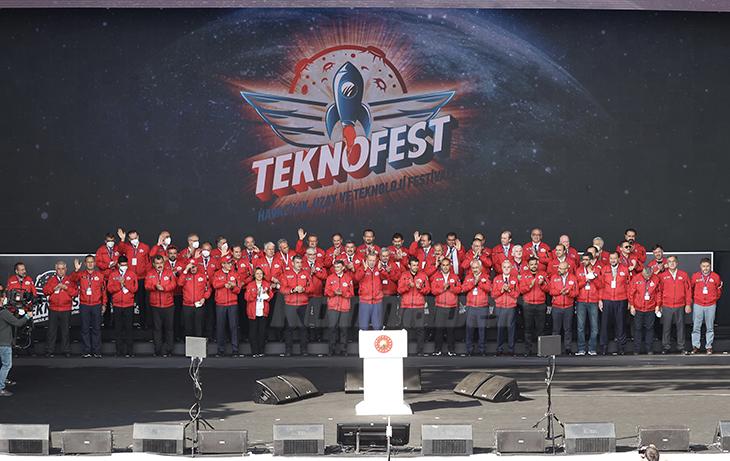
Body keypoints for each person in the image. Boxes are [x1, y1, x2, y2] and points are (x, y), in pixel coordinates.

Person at [71, 255, 107, 358]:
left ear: (94, 263)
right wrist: (76, 270)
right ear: (85, 263)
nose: (90, 264)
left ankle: (97, 351)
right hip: (84, 305)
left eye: (92, 262)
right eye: (88, 262)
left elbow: (104, 291)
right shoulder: (81, 274)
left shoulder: (100, 276)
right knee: (85, 329)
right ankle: (86, 351)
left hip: (96, 305)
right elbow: (72, 280)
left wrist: (104, 304)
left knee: (97, 329)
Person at [117, 228, 151, 329]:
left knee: (142, 302)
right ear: (129, 239)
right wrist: (122, 240)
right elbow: (120, 250)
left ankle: (143, 323)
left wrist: (147, 276)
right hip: (129, 278)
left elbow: (148, 263)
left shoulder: (145, 247)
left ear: (138, 237)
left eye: (135, 238)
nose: (134, 240)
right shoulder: (126, 247)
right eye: (132, 239)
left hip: (141, 278)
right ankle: (128, 324)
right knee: (129, 302)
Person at [0, 289, 32, 397]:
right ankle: (0, 387)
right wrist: (27, 316)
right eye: (4, 297)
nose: (6, 299)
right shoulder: (3, 312)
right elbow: (17, 323)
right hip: (4, 343)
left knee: (2, 364)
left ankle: (3, 380)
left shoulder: (4, 312)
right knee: (6, 365)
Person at [42, 261, 78, 358]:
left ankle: (66, 350)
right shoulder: (51, 280)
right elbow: (45, 291)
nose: (61, 271)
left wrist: (66, 287)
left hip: (66, 309)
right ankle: (50, 350)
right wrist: (54, 288)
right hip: (53, 309)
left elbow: (75, 293)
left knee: (65, 331)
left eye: (63, 269)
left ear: (66, 269)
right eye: (59, 269)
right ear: (56, 269)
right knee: (51, 331)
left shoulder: (70, 280)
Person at [657, 255, 692, 354]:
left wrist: (688, 304)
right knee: (666, 327)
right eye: (669, 261)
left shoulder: (683, 275)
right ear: (667, 264)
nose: (672, 263)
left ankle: (681, 347)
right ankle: (666, 347)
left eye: (673, 261)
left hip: (680, 305)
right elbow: (659, 291)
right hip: (666, 305)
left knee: (681, 327)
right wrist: (659, 305)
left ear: (677, 263)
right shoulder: (662, 276)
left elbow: (688, 290)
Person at [145, 255, 177, 357]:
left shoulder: (169, 273)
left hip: (168, 305)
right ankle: (158, 350)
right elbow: (146, 285)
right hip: (155, 305)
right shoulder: (150, 273)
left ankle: (169, 350)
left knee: (169, 328)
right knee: (157, 329)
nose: (159, 265)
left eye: (161, 263)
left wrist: (164, 288)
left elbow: (174, 285)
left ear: (164, 263)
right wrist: (155, 286)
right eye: (157, 263)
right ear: (154, 264)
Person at [280, 255, 312, 356]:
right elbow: (282, 289)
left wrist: (304, 289)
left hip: (303, 304)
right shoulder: (286, 274)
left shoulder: (306, 274)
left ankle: (304, 350)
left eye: (301, 262)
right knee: (289, 328)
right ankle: (288, 350)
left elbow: (312, 288)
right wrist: (293, 290)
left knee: (303, 328)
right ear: (292, 263)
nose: (299, 264)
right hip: (290, 304)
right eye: (297, 262)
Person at [397, 257, 430, 356]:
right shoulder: (404, 275)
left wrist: (420, 288)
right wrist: (408, 286)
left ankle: (420, 351)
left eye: (417, 265)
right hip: (406, 306)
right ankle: (403, 351)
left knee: (420, 329)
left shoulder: (423, 275)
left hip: (418, 306)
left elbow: (428, 290)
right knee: (405, 329)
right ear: (409, 266)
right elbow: (399, 290)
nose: (415, 267)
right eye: (413, 265)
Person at [599, 252, 630, 355]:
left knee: (620, 324)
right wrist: (600, 300)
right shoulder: (604, 269)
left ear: (619, 259)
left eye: (615, 258)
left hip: (621, 300)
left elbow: (628, 286)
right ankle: (604, 347)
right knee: (605, 325)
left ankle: (621, 347)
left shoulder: (624, 269)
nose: (612, 260)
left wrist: (629, 301)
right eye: (611, 258)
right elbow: (601, 286)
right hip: (607, 300)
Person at [106, 256, 138, 357]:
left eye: (126, 265)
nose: (124, 267)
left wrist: (126, 284)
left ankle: (130, 351)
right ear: (118, 265)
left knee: (129, 329)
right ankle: (118, 351)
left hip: (128, 304)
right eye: (122, 265)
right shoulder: (113, 275)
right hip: (117, 305)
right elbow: (109, 289)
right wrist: (119, 285)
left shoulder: (132, 274)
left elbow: (135, 289)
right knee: (118, 329)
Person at [690, 258, 723, 354]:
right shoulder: (695, 276)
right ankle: (695, 346)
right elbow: (691, 288)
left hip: (711, 305)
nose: (705, 268)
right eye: (703, 266)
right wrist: (695, 298)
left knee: (710, 327)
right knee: (696, 326)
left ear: (710, 266)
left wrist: (713, 299)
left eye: (707, 266)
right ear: (700, 266)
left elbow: (719, 290)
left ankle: (709, 346)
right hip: (698, 304)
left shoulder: (715, 277)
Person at [430, 258, 461, 356]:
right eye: (443, 265)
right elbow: (433, 291)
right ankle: (437, 350)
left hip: (452, 307)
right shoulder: (436, 277)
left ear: (450, 266)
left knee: (451, 330)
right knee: (438, 329)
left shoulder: (455, 277)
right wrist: (443, 288)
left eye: (447, 265)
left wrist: (450, 287)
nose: (445, 267)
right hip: (440, 306)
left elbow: (459, 289)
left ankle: (451, 350)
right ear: (440, 266)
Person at [519, 256, 549, 356]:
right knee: (528, 328)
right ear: (528, 265)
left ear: (538, 264)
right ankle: (528, 350)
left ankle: (541, 351)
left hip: (540, 304)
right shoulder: (524, 275)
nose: (534, 266)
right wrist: (530, 286)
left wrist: (542, 284)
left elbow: (548, 289)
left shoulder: (543, 274)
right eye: (531, 264)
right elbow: (521, 290)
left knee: (541, 329)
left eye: (535, 264)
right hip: (528, 305)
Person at [324, 260, 354, 356]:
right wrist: (334, 293)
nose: (336, 269)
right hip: (333, 307)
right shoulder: (330, 278)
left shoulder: (348, 278)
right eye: (335, 267)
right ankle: (331, 350)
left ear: (343, 268)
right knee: (332, 329)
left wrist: (343, 293)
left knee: (343, 329)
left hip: (344, 307)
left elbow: (351, 293)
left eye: (338, 267)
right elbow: (326, 292)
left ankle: (344, 350)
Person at [212, 259, 242, 357]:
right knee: (220, 327)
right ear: (223, 264)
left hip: (233, 304)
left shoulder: (235, 274)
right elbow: (214, 285)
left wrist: (232, 287)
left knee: (234, 327)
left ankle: (235, 350)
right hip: (220, 304)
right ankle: (220, 350)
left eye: (231, 263)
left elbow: (238, 290)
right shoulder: (217, 274)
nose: (230, 265)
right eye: (228, 263)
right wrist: (225, 283)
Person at [628, 267, 661, 355]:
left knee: (650, 329)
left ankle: (649, 349)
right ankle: (636, 350)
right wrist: (632, 306)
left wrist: (658, 305)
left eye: (649, 276)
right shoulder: (636, 278)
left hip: (650, 308)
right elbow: (631, 293)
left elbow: (658, 293)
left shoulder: (656, 279)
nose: (647, 278)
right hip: (638, 308)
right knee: (637, 328)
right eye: (646, 276)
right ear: (642, 272)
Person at [548, 261, 579, 355]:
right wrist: (560, 292)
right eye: (558, 268)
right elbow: (551, 291)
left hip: (568, 306)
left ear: (566, 269)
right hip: (556, 306)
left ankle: (568, 348)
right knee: (555, 329)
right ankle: (554, 349)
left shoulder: (573, 278)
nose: (559, 270)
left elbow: (576, 293)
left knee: (568, 329)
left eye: (561, 268)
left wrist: (568, 293)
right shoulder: (554, 277)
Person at [461, 260, 491, 356]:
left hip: (482, 307)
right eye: (473, 268)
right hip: (471, 307)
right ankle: (469, 350)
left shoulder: (486, 276)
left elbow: (489, 289)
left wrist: (480, 283)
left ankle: (482, 350)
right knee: (469, 329)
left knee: (482, 330)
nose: (475, 270)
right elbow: (463, 289)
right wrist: (473, 283)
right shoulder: (468, 277)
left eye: (477, 267)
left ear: (481, 268)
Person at [575, 252, 602, 356]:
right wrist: (585, 280)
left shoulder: (597, 270)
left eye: (586, 260)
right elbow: (576, 286)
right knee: (580, 327)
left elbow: (600, 286)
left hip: (593, 301)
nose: (584, 261)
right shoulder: (578, 270)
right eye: (583, 259)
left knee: (594, 327)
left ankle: (592, 348)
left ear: (591, 260)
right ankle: (581, 349)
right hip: (581, 301)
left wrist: (593, 277)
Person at [492, 260, 520, 356]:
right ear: (501, 268)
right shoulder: (496, 279)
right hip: (500, 307)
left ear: (511, 268)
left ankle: (511, 349)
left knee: (511, 328)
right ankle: (499, 349)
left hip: (511, 307)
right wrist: (501, 290)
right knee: (500, 328)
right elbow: (493, 294)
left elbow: (517, 294)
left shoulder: (514, 279)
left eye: (508, 267)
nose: (506, 269)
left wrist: (509, 290)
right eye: (504, 267)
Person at [244, 268, 273, 357]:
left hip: (263, 311)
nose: (259, 275)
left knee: (262, 332)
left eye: (261, 273)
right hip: (253, 311)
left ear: (263, 275)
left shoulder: (266, 284)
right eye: (257, 273)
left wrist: (266, 295)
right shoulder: (250, 285)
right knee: (253, 333)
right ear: (254, 275)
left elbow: (271, 296)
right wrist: (256, 294)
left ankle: (261, 351)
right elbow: (246, 297)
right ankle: (254, 352)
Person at [178, 261, 211, 337]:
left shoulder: (203, 276)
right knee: (188, 327)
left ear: (197, 267)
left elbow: (208, 289)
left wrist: (204, 298)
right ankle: (189, 344)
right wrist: (186, 270)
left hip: (199, 305)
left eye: (194, 267)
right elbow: (179, 283)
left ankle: (199, 343)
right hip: (187, 305)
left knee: (199, 326)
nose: (193, 269)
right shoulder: (185, 275)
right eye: (191, 267)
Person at [355, 253, 385, 330]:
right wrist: (364, 270)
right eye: (370, 260)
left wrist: (380, 270)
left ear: (376, 261)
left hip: (377, 301)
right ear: (366, 260)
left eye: (373, 260)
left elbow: (385, 277)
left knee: (377, 326)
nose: (372, 262)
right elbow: (357, 278)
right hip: (365, 301)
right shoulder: (362, 269)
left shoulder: (379, 269)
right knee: (363, 326)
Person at [377, 248, 401, 328]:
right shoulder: (376, 265)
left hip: (392, 294)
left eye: (387, 256)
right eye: (383, 256)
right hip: (380, 295)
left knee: (392, 315)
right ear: (380, 256)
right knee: (381, 315)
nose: (385, 258)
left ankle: (391, 331)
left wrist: (390, 272)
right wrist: (380, 270)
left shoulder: (393, 265)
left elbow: (397, 278)